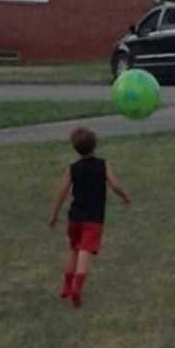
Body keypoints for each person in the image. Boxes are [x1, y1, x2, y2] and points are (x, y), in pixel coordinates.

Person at [48, 127, 131, 308]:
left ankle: (66, 287)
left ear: (75, 148)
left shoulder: (72, 169)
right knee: (85, 252)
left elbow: (61, 193)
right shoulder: (103, 164)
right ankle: (77, 288)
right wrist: (125, 196)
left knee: (73, 249)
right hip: (93, 219)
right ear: (95, 144)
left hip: (75, 217)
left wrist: (53, 215)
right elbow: (115, 184)